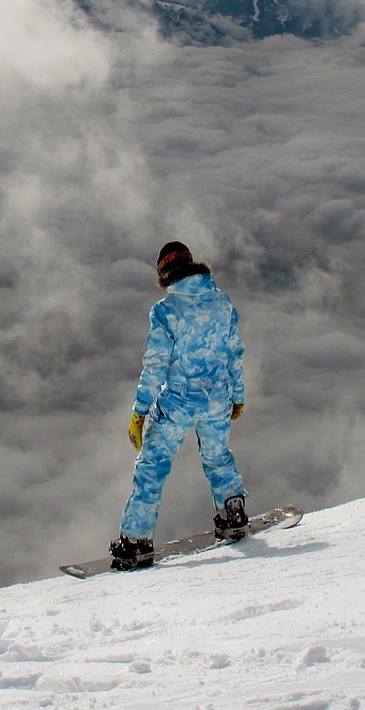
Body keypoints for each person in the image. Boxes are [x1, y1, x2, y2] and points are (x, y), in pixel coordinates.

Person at [110, 241, 249, 570]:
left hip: (178, 400)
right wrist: (238, 395)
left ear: (164, 273)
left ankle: (136, 542)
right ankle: (234, 514)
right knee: (218, 457)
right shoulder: (222, 302)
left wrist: (139, 411)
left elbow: (155, 366)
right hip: (218, 396)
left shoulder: (165, 311)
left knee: (152, 468)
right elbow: (234, 353)